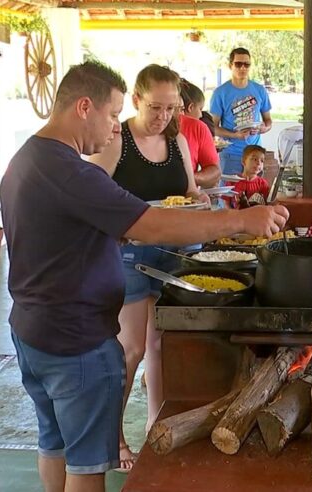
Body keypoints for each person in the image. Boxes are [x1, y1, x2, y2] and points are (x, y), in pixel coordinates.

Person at [1, 59, 289, 492]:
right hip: (75, 340)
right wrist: (242, 221)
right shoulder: (74, 173)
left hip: (32, 329)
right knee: (86, 465)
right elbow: (152, 225)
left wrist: (101, 240)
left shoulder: (28, 157)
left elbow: (57, 234)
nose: (114, 127)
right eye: (113, 113)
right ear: (84, 107)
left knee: (56, 443)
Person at [86, 64, 209, 473]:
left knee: (160, 345)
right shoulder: (117, 139)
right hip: (131, 255)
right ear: (137, 100)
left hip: (175, 250)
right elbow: (94, 195)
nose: (163, 116)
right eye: (155, 107)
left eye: (171, 108)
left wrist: (199, 200)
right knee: (132, 348)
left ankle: (156, 424)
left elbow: (190, 190)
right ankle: (114, 435)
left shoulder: (178, 141)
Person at [210, 47, 273, 176]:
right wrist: (235, 135)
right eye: (238, 64)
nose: (243, 68)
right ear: (230, 65)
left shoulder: (259, 90)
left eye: (246, 64)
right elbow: (212, 127)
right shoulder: (220, 93)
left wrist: (263, 128)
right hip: (231, 154)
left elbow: (268, 121)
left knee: (255, 195)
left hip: (254, 154)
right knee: (229, 195)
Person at [179, 79, 221, 189]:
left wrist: (188, 178)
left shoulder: (198, 127)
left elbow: (214, 172)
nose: (201, 115)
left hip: (183, 201)